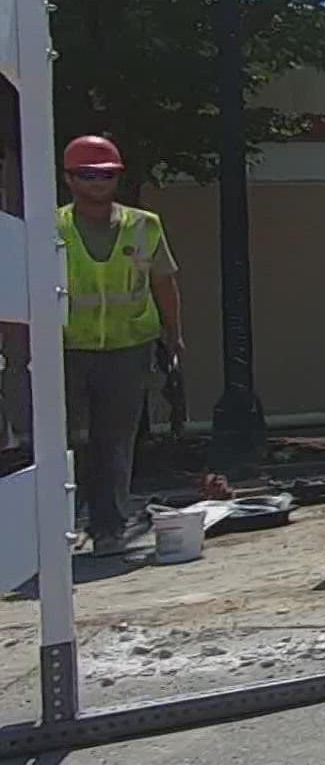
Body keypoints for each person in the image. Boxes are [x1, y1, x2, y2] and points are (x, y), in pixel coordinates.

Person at [56, 135, 182, 556]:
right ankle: (63, 527)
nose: (97, 183)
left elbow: (163, 282)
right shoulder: (51, 228)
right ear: (70, 179)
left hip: (130, 345)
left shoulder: (144, 225)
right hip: (69, 347)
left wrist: (172, 334)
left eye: (105, 175)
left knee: (116, 439)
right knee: (72, 438)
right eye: (87, 175)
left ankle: (109, 526)